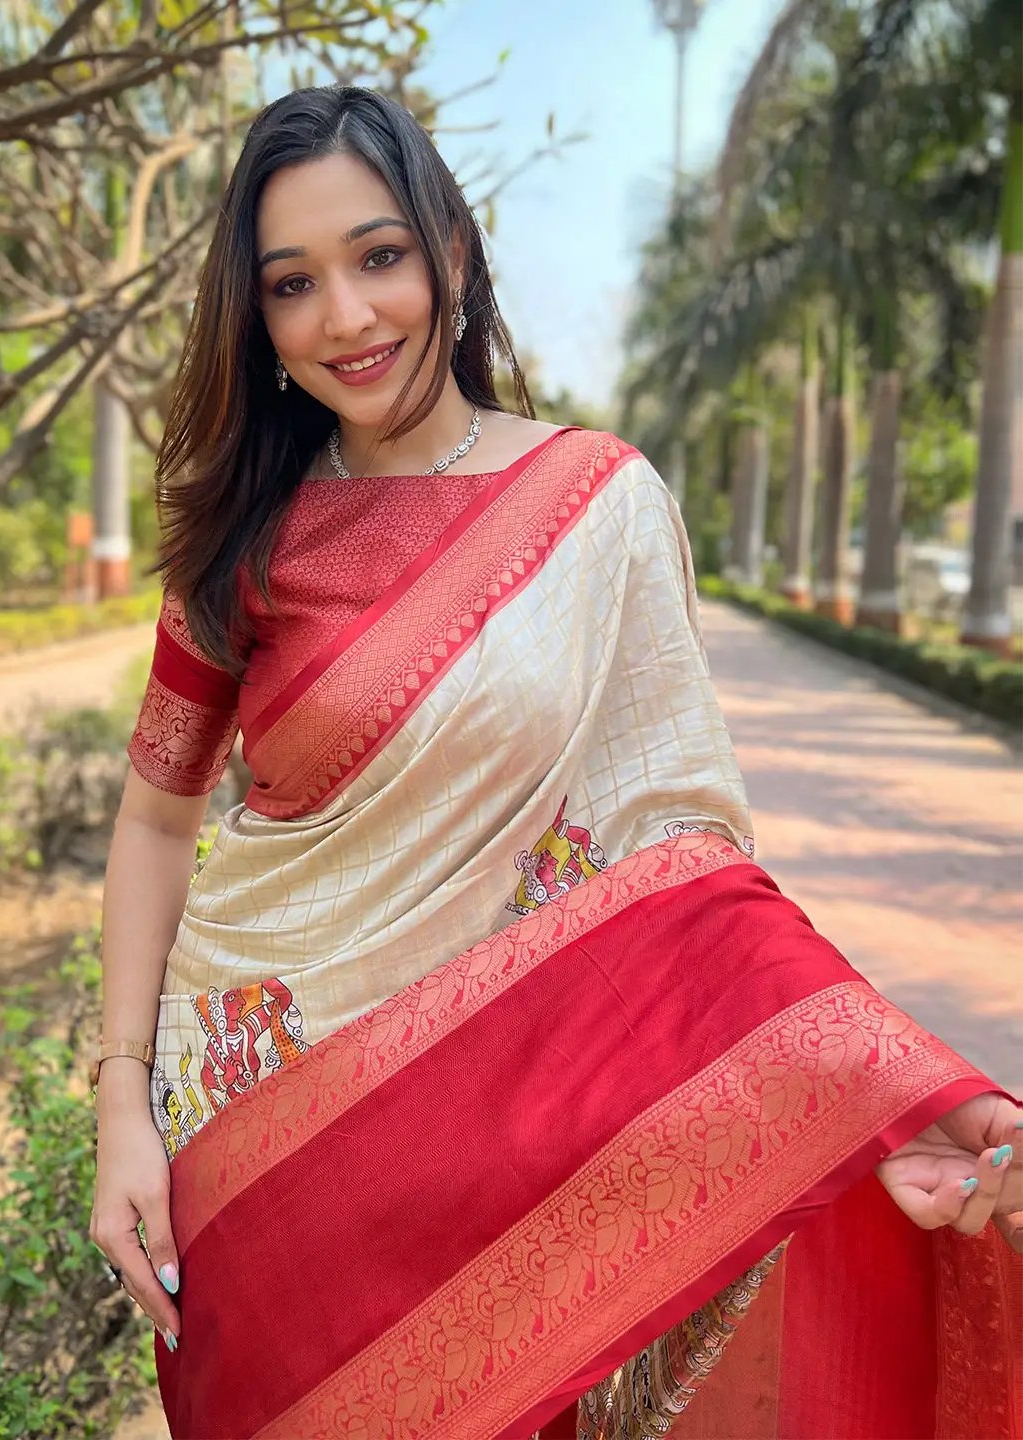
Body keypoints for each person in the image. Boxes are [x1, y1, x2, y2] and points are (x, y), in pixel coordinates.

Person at [89, 86, 1022, 1440]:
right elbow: (156, 825)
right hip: (253, 1134)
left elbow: (679, 879)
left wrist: (891, 1099)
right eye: (293, 284)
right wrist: (122, 1101)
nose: (345, 317)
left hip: (506, 1130)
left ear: (451, 257)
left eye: (380, 256)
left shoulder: (599, 504)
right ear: (259, 316)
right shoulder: (238, 535)